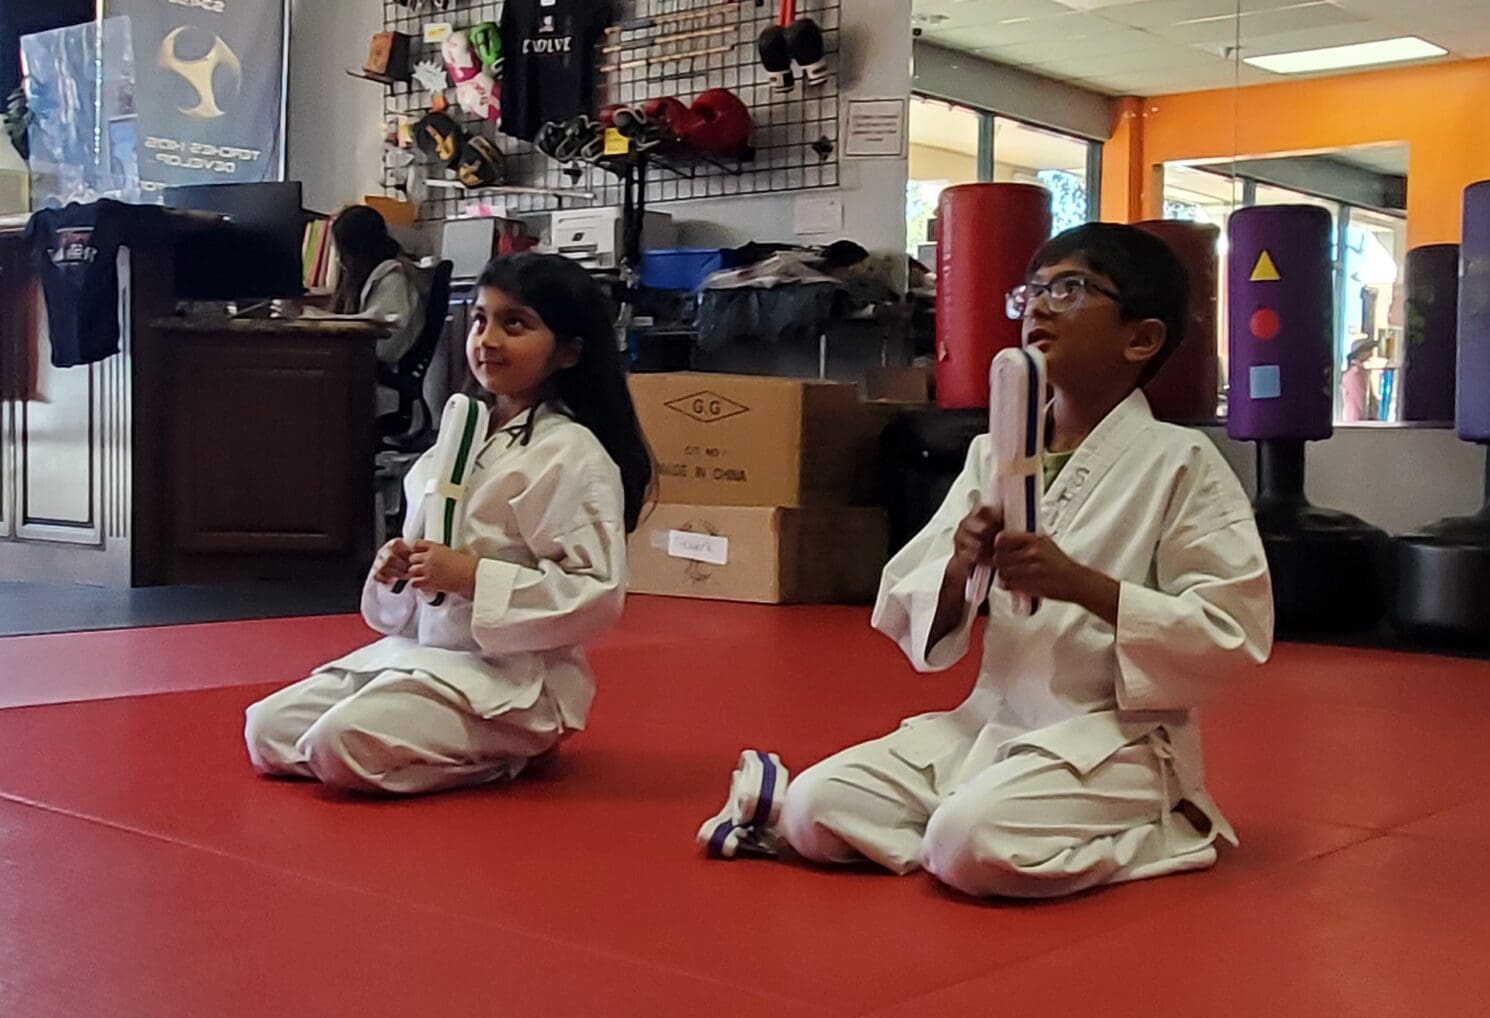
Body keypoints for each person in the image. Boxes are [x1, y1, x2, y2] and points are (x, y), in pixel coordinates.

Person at [700, 223, 1274, 899]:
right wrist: (961, 563)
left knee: (970, 844)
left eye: (1071, 288)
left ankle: (1163, 822)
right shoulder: (995, 452)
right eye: (1032, 288)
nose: (1039, 305)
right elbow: (918, 607)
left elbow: (1232, 629)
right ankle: (963, 820)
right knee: (813, 809)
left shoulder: (1182, 463)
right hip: (989, 726)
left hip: (1113, 738)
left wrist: (1082, 586)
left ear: (1140, 338)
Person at [244, 254, 654, 795]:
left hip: (511, 679)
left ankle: (509, 751)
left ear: (570, 351)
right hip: (427, 657)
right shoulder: (462, 431)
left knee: (337, 745)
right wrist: (398, 568)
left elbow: (595, 593)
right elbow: (423, 561)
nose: (488, 339)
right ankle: (426, 733)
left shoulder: (571, 454)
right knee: (267, 731)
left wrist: (472, 577)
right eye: (481, 319)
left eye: (516, 324)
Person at [324, 204, 430, 418]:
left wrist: (316, 317)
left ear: (357, 249)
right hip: (367, 382)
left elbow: (383, 347)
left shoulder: (394, 279)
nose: (340, 260)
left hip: (379, 388)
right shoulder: (368, 278)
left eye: (343, 251)